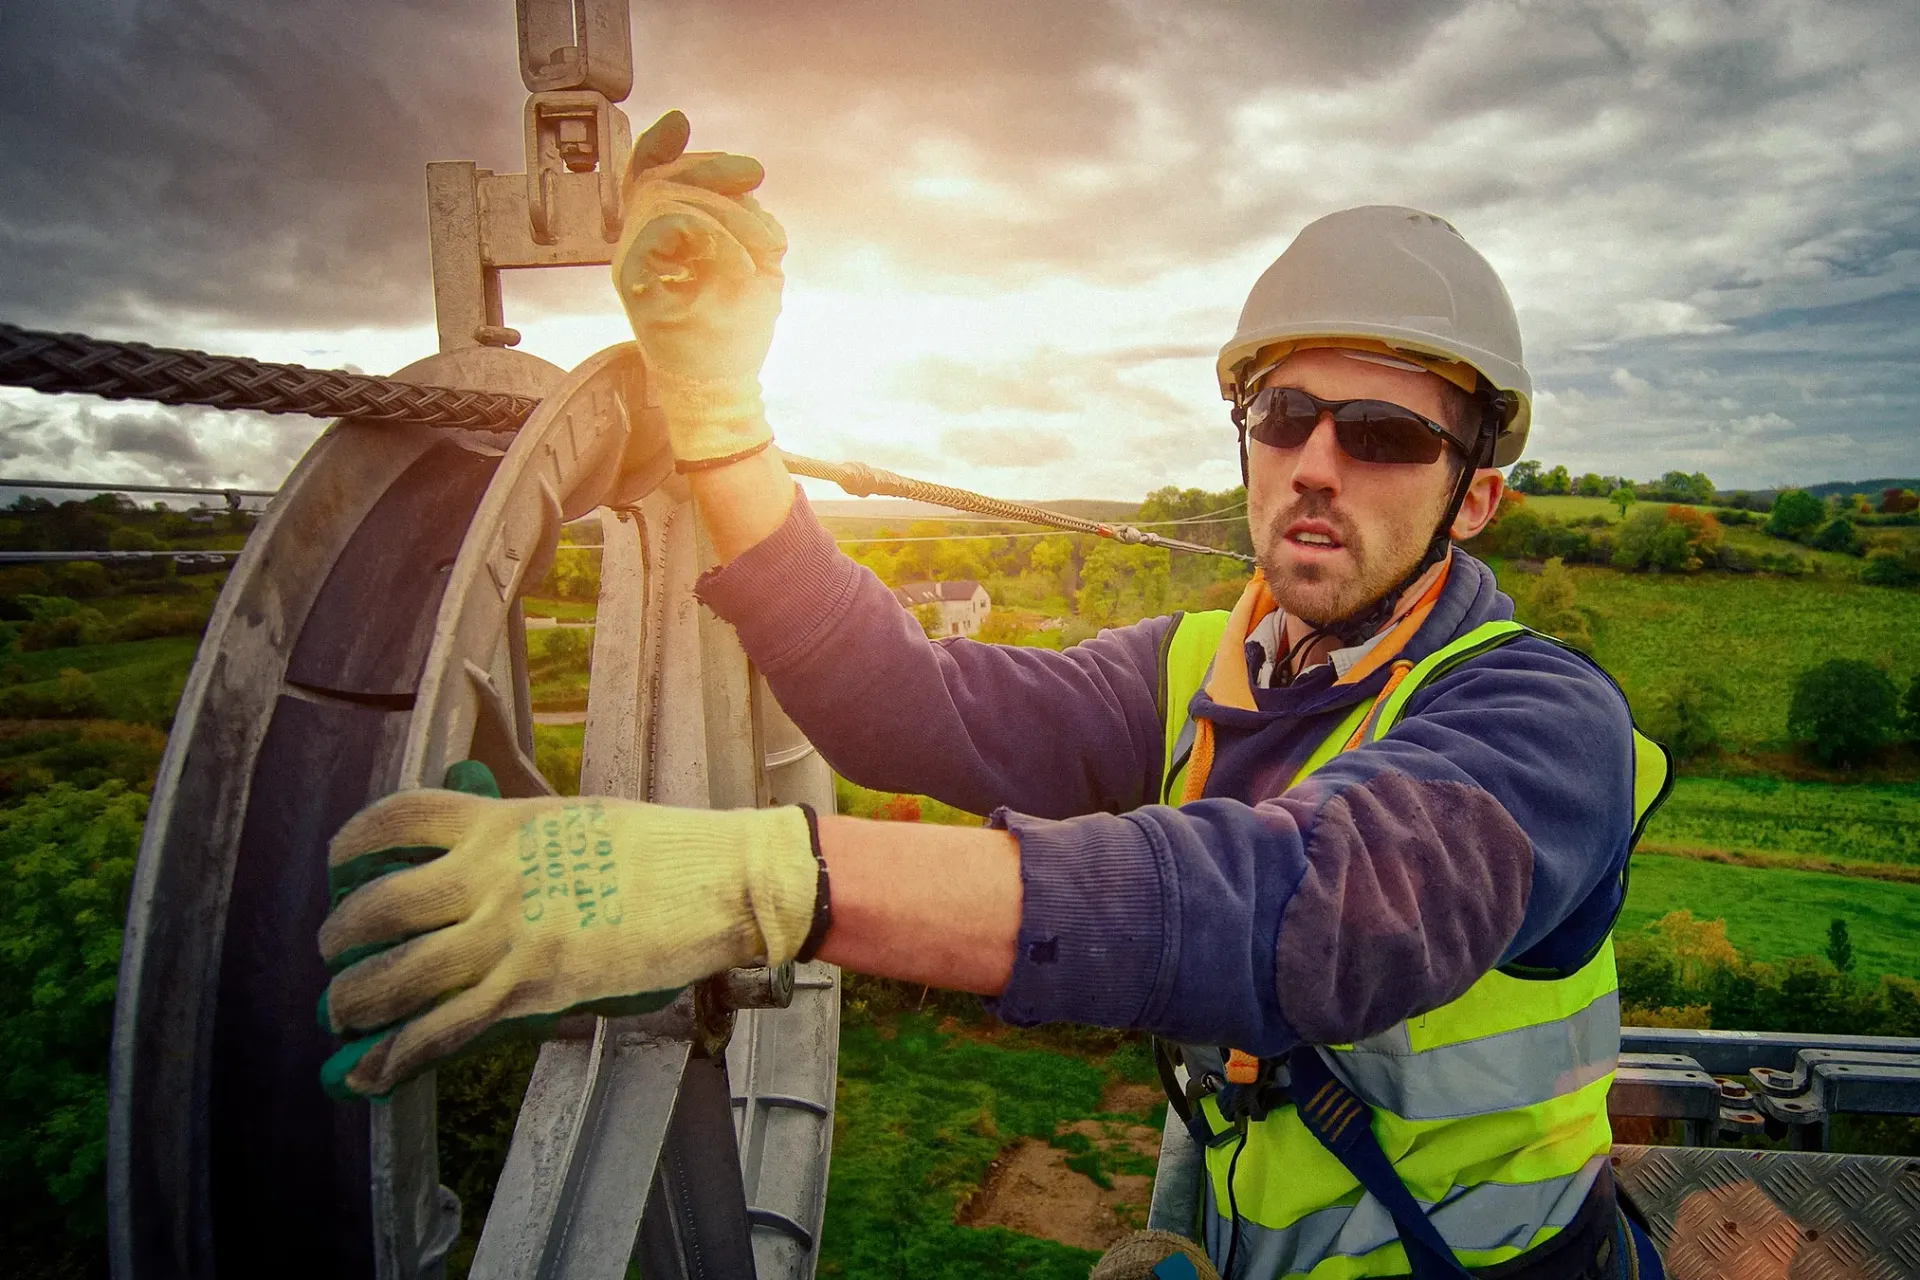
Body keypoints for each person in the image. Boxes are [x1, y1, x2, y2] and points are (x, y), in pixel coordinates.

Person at [314, 112, 1669, 1279]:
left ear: (1473, 497)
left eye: (1383, 435)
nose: (1319, 463)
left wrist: (760, 883)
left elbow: (1302, 911)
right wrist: (721, 416)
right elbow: (908, 707)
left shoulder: (1542, 726)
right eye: (1283, 417)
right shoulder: (1196, 670)